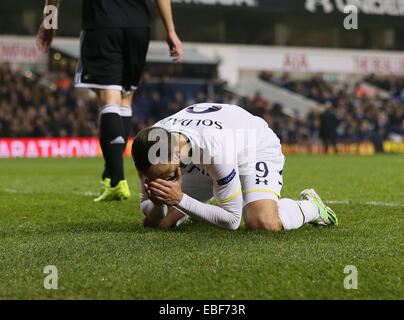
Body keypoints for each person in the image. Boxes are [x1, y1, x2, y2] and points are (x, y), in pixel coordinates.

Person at [36, 0, 183, 202]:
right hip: (138, 26)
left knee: (109, 99)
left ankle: (116, 180)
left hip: (103, 23)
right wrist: (170, 30)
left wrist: (49, 22)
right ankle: (110, 175)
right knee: (125, 99)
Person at [132, 103, 338, 230]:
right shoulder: (151, 144)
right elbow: (150, 212)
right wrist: (157, 202)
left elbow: (232, 221)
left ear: (177, 152)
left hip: (252, 145)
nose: (159, 181)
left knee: (261, 222)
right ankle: (216, 189)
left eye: (166, 176)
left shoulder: (212, 147)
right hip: (206, 159)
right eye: (151, 179)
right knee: (156, 224)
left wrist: (180, 199)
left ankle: (313, 207)